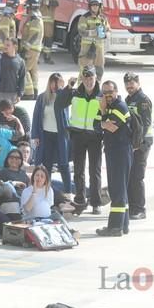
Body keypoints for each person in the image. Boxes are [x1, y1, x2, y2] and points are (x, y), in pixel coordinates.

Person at [56, 65, 104, 214]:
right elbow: (59, 104)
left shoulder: (102, 95)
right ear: (82, 79)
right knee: (78, 170)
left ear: (96, 78)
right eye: (86, 78)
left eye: (91, 78)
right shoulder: (76, 93)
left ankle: (96, 202)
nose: (89, 81)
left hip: (95, 137)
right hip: (78, 135)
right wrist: (67, 88)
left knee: (94, 171)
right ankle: (80, 199)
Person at [95, 80, 133, 237]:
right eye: (104, 93)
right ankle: (123, 225)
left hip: (121, 152)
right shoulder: (108, 107)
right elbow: (95, 124)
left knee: (117, 189)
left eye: (110, 92)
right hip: (112, 152)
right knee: (118, 188)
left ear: (116, 92)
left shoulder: (120, 107)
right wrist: (103, 120)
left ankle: (115, 227)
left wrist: (103, 114)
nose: (107, 96)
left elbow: (111, 126)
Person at [32, 73, 72, 195]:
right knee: (46, 164)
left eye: (58, 82)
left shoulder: (63, 97)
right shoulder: (42, 98)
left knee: (63, 164)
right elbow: (36, 117)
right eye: (52, 82)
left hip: (60, 135)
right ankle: (46, 191)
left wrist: (66, 88)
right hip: (46, 135)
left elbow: (70, 96)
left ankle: (68, 192)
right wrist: (35, 135)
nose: (54, 85)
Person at [124, 72, 153, 220]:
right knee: (130, 176)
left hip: (142, 144)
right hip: (132, 144)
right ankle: (132, 207)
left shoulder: (143, 100)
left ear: (138, 83)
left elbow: (145, 123)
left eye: (132, 83)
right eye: (127, 84)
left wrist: (138, 143)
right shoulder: (128, 99)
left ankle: (140, 209)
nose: (129, 86)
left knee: (137, 176)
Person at [77, 0, 109, 81]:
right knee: (84, 73)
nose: (95, 7)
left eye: (97, 5)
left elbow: (108, 30)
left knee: (99, 73)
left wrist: (105, 34)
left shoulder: (103, 18)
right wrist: (94, 32)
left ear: (100, 6)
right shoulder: (84, 18)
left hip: (99, 51)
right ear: (90, 6)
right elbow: (81, 32)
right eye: (93, 5)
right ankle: (80, 92)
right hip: (87, 50)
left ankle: (96, 91)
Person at [20, 0, 44, 100]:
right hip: (35, 49)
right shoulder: (37, 17)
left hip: (31, 49)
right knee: (33, 70)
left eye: (27, 7)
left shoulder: (35, 19)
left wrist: (25, 48)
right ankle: (35, 90)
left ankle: (29, 93)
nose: (26, 9)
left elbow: (34, 35)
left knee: (24, 69)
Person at [0, 37, 25, 112]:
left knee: (10, 115)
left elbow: (22, 78)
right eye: (4, 45)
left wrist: (19, 94)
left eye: (8, 45)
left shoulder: (20, 61)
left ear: (15, 46)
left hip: (12, 93)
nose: (5, 47)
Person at [36, 0, 59, 65]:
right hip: (39, 24)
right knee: (37, 42)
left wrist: (48, 0)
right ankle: (36, 58)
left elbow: (56, 3)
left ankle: (47, 57)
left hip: (48, 26)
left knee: (48, 43)